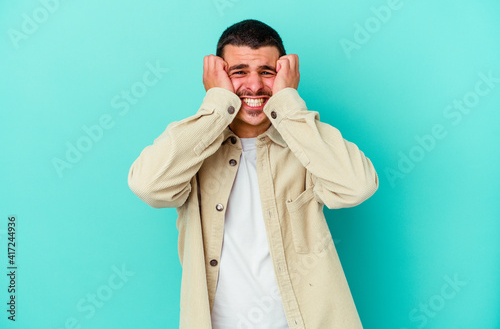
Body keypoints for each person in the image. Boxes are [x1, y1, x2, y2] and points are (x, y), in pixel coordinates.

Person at [128, 19, 379, 329]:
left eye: (267, 72)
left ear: (284, 75)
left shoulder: (305, 143)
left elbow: (358, 186)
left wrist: (287, 103)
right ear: (217, 75)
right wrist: (218, 105)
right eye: (239, 72)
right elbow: (148, 186)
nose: (255, 85)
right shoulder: (194, 146)